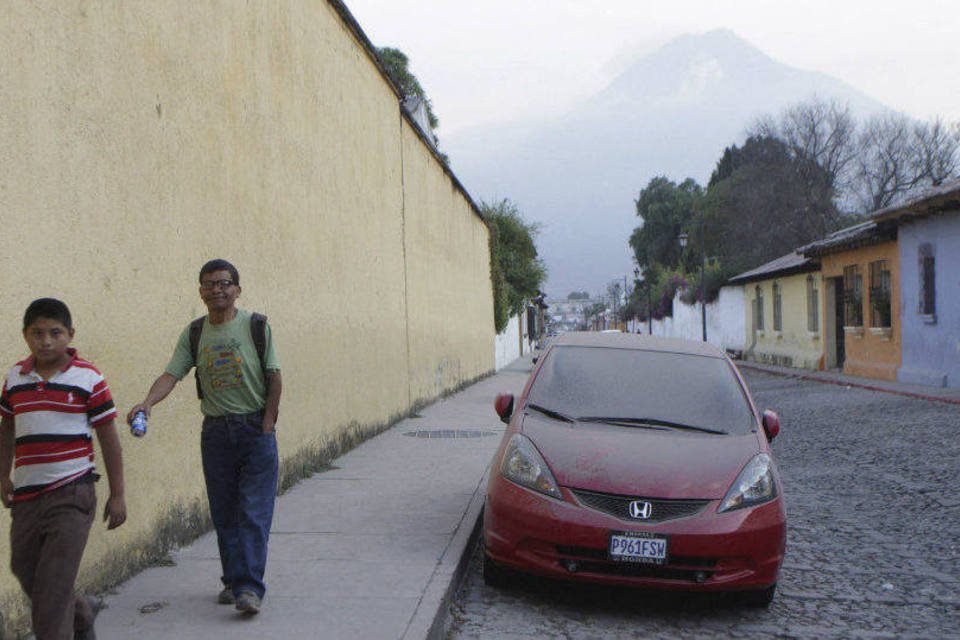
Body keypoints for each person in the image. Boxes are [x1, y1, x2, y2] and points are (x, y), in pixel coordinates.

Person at [126, 259, 281, 616]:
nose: (218, 289)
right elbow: (172, 374)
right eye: (210, 284)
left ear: (237, 290)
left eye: (225, 283)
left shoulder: (256, 326)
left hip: (255, 430)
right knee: (225, 513)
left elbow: (275, 376)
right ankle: (233, 581)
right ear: (200, 292)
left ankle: (249, 588)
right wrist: (147, 402)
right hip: (215, 433)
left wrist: (268, 423)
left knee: (253, 514)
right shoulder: (195, 333)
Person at [0, 298, 126, 640]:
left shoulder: (88, 378)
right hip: (27, 496)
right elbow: (7, 428)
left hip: (73, 493)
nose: (46, 341)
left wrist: (118, 495)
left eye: (55, 332)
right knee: (24, 569)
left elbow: (109, 439)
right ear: (25, 335)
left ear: (70, 334)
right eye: (37, 333)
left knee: (51, 593)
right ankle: (82, 613)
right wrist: (3, 476)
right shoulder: (15, 378)